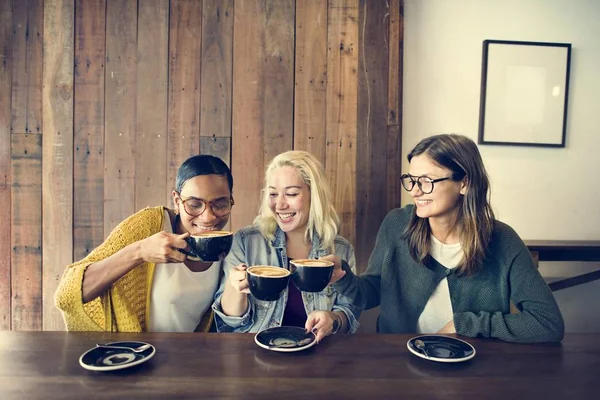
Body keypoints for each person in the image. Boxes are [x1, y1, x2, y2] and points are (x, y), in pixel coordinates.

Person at [327, 134, 564, 343]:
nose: (414, 191)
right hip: (399, 363)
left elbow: (547, 324)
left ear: (465, 183)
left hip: (472, 370)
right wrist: (342, 277)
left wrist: (466, 324)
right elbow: (371, 294)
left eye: (427, 181)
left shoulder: (502, 240)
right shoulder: (396, 225)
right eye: (411, 179)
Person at [55, 155, 235, 332]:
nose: (209, 216)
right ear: (177, 200)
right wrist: (140, 251)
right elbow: (66, 295)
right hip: (132, 354)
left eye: (220, 205)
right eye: (195, 204)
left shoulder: (227, 246)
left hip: (184, 357)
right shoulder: (150, 224)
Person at [212, 150, 360, 342]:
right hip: (256, 356)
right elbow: (230, 323)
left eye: (291, 194)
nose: (279, 204)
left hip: (318, 355)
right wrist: (235, 287)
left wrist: (333, 319)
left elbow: (350, 311)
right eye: (273, 193)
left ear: (314, 196)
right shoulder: (245, 241)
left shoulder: (340, 249)